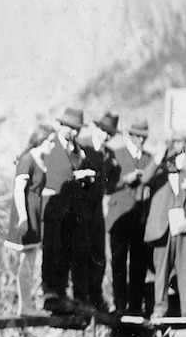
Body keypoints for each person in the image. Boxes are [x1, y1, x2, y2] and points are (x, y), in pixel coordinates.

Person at [41, 107, 95, 314]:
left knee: (66, 251)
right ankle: (50, 294)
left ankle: (62, 294)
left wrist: (85, 178)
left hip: (72, 208)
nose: (74, 132)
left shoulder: (77, 150)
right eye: (70, 128)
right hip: (54, 205)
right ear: (61, 125)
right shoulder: (49, 145)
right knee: (51, 250)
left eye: (77, 129)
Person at [4, 123, 56, 316]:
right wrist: (24, 218)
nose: (52, 146)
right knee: (26, 260)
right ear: (41, 140)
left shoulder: (39, 159)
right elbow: (19, 189)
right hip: (25, 214)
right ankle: (25, 306)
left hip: (34, 213)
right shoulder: (28, 159)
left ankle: (27, 305)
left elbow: (36, 189)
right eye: (50, 142)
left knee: (30, 259)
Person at [106, 119, 154, 316]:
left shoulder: (149, 159)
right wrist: (125, 179)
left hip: (140, 218)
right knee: (118, 262)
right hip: (119, 217)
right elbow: (107, 185)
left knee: (138, 263)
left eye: (144, 137)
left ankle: (135, 306)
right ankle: (119, 305)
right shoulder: (116, 154)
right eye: (137, 136)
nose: (141, 140)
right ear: (130, 136)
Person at [144, 142, 186, 318]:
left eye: (177, 157)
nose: (173, 162)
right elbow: (144, 178)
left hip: (182, 230)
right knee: (162, 272)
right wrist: (157, 158)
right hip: (162, 231)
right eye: (170, 158)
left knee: (185, 271)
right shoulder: (157, 176)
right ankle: (159, 309)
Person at [78, 112, 119, 312]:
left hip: (97, 208)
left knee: (98, 253)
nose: (105, 136)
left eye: (109, 134)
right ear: (96, 129)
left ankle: (96, 296)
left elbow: (111, 182)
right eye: (103, 131)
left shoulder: (109, 154)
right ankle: (83, 297)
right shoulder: (82, 146)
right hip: (81, 206)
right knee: (82, 251)